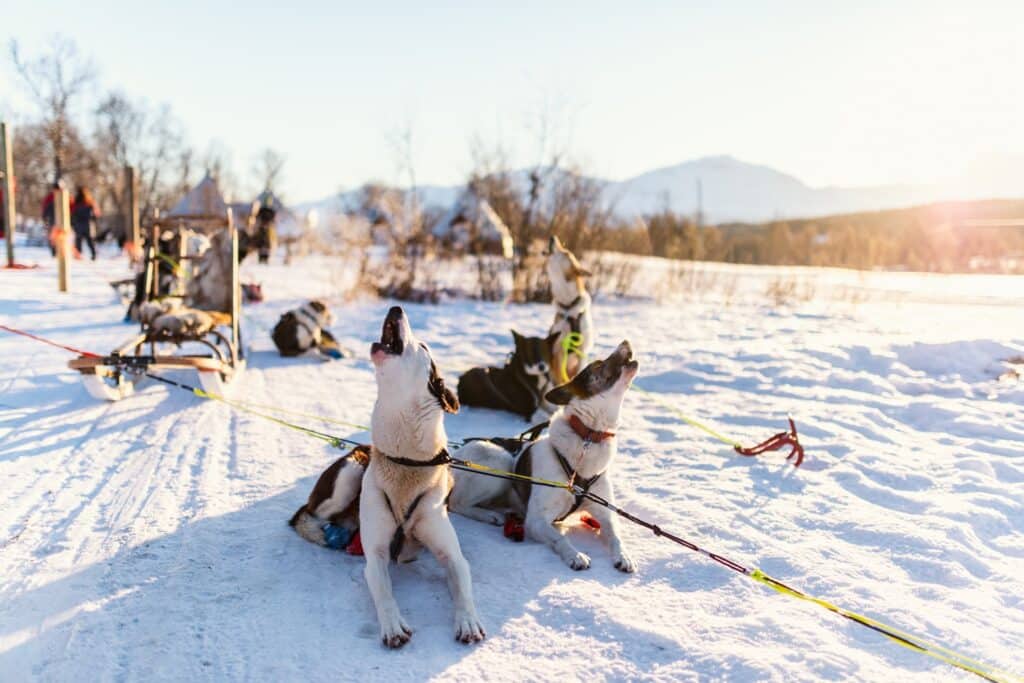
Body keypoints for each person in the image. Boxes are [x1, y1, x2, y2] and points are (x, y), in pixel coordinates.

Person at [70, 186, 100, 260]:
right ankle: (93, 254)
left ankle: (78, 255)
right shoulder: (90, 202)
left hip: (78, 225)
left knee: (78, 241)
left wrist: (72, 223)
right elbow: (96, 214)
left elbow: (72, 213)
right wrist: (93, 220)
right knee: (90, 241)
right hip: (88, 225)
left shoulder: (76, 203)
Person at [41, 181, 61, 256]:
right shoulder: (50, 197)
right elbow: (45, 208)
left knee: (59, 236)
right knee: (53, 237)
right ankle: (54, 251)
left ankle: (57, 251)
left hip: (60, 222)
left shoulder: (65, 197)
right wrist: (45, 217)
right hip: (53, 220)